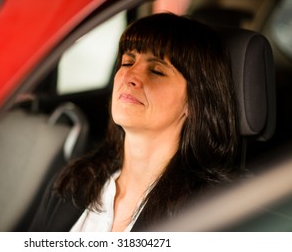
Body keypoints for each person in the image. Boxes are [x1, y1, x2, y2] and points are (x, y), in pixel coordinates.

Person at [30, 12, 240, 232]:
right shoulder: (73, 182)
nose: (130, 75)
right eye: (128, 61)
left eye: (157, 71)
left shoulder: (209, 210)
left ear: (194, 103)